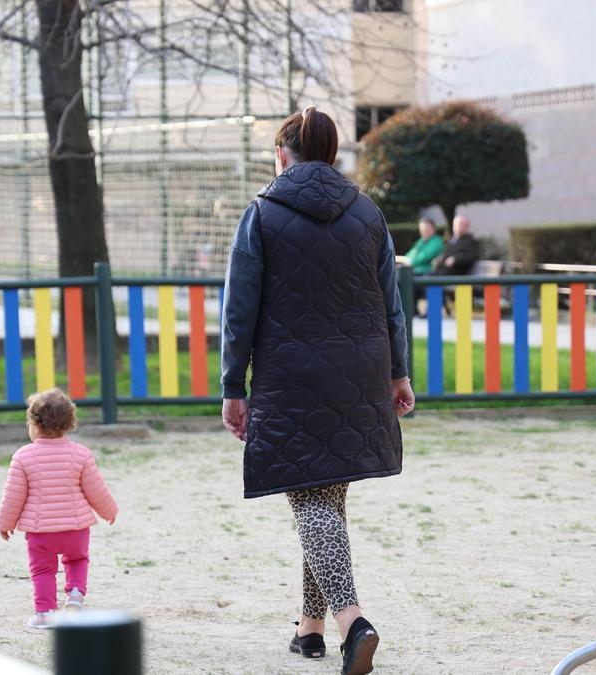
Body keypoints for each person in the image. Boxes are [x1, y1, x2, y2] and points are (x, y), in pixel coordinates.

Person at [220, 105, 414, 675]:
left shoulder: (261, 213)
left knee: (308, 498)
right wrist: (398, 373)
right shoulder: (369, 215)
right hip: (360, 370)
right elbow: (391, 304)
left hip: (290, 374)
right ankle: (309, 628)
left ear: (283, 154)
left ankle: (353, 621)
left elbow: (239, 311)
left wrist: (234, 386)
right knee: (324, 494)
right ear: (332, 155)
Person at [0, 390, 119, 629]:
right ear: (69, 425)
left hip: (41, 531)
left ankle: (44, 612)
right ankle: (74, 598)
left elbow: (13, 496)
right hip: (76, 527)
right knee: (78, 559)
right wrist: (109, 511)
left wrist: (4, 523)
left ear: (34, 424)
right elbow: (96, 489)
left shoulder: (23, 456)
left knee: (42, 570)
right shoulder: (81, 454)